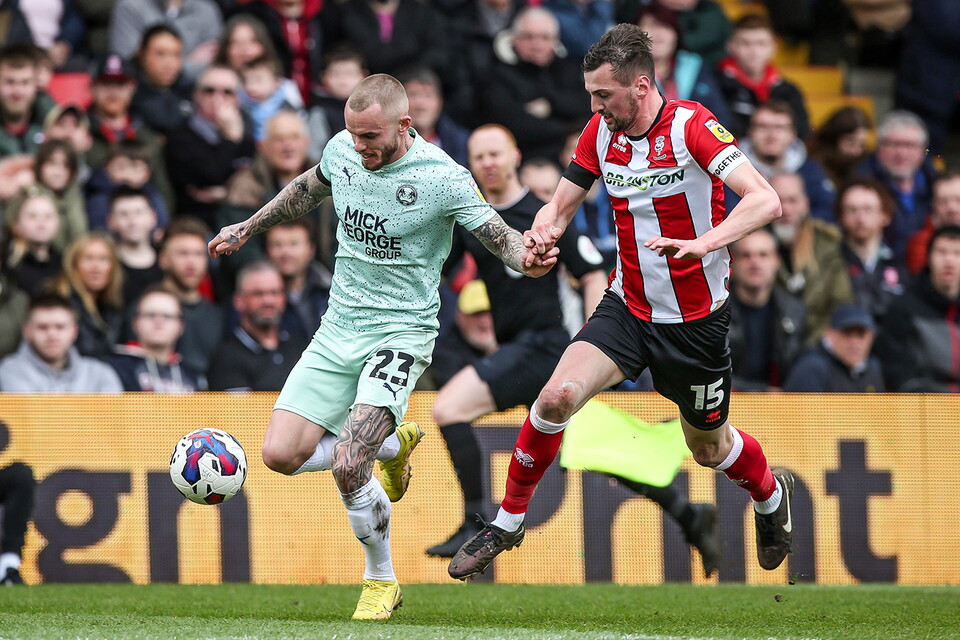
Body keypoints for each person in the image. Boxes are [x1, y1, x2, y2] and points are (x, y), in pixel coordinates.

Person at [447, 24, 795, 581]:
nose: (594, 105)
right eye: (590, 95)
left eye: (603, 95)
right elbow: (558, 207)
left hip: (696, 322)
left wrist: (703, 243)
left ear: (639, 85)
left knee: (708, 448)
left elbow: (766, 201)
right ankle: (507, 523)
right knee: (557, 396)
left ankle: (771, 494)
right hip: (628, 305)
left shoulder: (692, 126)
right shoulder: (600, 132)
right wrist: (541, 233)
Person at [207, 73, 556, 619]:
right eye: (353, 134)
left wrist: (526, 257)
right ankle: (393, 445)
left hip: (401, 331)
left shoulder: (443, 177)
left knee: (349, 464)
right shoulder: (343, 148)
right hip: (338, 326)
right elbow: (307, 187)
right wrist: (248, 226)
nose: (360, 147)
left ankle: (380, 580)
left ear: (404, 125)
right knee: (279, 456)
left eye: (371, 137)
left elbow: (498, 237)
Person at [429, 124, 719, 576]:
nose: (487, 163)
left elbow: (589, 271)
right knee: (585, 451)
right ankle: (687, 513)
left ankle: (474, 517)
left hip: (545, 347)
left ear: (515, 156)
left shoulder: (541, 214)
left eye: (494, 153)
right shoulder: (476, 221)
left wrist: (591, 337)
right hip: (520, 349)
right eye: (478, 155)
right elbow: (442, 271)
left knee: (448, 408)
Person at [478, 7, 592, 161]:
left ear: (556, 40)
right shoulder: (497, 75)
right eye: (528, 37)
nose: (537, 45)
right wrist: (569, 128)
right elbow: (513, 125)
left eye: (545, 37)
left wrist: (551, 104)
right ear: (514, 39)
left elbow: (588, 108)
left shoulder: (570, 69)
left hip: (571, 160)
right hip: (525, 159)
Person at [164, 64, 256, 229]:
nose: (218, 98)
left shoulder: (248, 137)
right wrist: (231, 140)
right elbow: (211, 176)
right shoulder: (179, 136)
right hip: (195, 225)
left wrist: (227, 192)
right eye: (209, 91)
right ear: (196, 95)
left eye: (227, 92)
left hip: (240, 225)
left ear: (238, 99)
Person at [769, 173, 852, 344]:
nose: (785, 209)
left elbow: (841, 303)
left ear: (805, 203)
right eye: (778, 200)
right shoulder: (751, 246)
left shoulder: (828, 245)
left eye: (792, 200)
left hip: (818, 344)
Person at [875, 225, 960, 392]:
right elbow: (897, 371)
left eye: (957, 253)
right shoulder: (904, 307)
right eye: (941, 252)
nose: (949, 261)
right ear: (928, 258)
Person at [207, 261, 308, 391]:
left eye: (274, 292)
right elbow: (240, 410)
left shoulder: (300, 348)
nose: (268, 301)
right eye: (258, 294)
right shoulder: (226, 358)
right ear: (239, 301)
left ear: (284, 298)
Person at [728, 102, 835, 222]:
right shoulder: (731, 169)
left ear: (793, 134)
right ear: (750, 132)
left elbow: (827, 213)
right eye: (762, 127)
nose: (771, 135)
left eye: (779, 128)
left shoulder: (811, 171)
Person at [728, 229, 806, 391]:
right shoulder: (715, 310)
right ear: (733, 263)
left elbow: (802, 365)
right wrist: (760, 391)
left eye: (763, 255)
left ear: (777, 261)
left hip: (780, 406)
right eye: (746, 255)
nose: (754, 262)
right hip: (727, 402)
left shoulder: (794, 311)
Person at [855, 110, 938, 261]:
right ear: (879, 147)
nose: (901, 153)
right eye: (893, 144)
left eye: (910, 145)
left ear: (922, 149)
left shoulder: (936, 184)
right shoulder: (860, 184)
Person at [0, 293, 123, 392]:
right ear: (27, 331)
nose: (52, 335)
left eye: (60, 327)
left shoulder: (101, 373)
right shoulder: (11, 370)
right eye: (43, 327)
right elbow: (28, 420)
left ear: (74, 331)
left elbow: (113, 421)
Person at [715, 14, 809, 139]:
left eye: (761, 44)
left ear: (773, 47)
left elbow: (802, 132)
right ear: (731, 46)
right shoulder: (715, 85)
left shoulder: (788, 90)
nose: (754, 52)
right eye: (745, 43)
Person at [158, 216, 224, 375]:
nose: (191, 263)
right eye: (183, 253)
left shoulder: (217, 316)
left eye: (198, 254)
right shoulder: (144, 312)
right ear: (163, 259)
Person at [109, 285, 206, 392]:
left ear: (181, 326)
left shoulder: (195, 378)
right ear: (135, 323)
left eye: (167, 316)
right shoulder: (114, 370)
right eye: (150, 315)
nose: (158, 321)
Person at [836, 177, 905, 322]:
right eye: (852, 210)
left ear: (885, 215)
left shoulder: (900, 264)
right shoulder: (830, 262)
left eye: (868, 210)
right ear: (841, 216)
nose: (860, 218)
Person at [51, 232, 125, 359]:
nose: (96, 267)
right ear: (73, 264)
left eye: (103, 259)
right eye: (88, 259)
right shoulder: (59, 301)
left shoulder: (113, 307)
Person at [109, 0, 222, 81]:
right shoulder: (129, 6)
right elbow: (126, 62)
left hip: (195, 93)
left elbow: (212, 63)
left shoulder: (207, 10)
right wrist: (188, 64)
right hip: (141, 92)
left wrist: (163, 64)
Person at [784, 304, 884, 392]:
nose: (854, 342)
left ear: (871, 337)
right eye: (847, 333)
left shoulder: (872, 367)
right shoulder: (811, 369)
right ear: (830, 334)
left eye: (860, 335)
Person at [264, 218, 331, 341]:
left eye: (293, 244)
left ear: (311, 250)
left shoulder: (331, 292)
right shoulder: (257, 297)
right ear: (267, 251)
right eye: (277, 245)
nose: (285, 252)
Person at [105, 186, 164, 306]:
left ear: (153, 217)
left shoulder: (167, 261)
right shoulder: (106, 265)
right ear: (111, 221)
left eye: (139, 212)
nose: (132, 221)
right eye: (123, 214)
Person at [130, 24, 193, 136]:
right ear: (142, 55)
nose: (169, 63)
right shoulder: (128, 93)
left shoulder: (191, 92)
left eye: (176, 55)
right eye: (160, 54)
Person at [400, 67, 469, 168]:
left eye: (428, 96)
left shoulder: (462, 143)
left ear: (440, 102)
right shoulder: (386, 142)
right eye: (413, 95)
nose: (421, 105)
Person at [238, 53, 304, 142]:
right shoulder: (241, 106)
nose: (251, 86)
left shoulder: (286, 106)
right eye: (246, 80)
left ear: (276, 82)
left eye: (258, 80)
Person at [906, 172, 960, 274]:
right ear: (934, 205)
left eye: (958, 200)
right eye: (943, 201)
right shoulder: (920, 244)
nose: (952, 208)